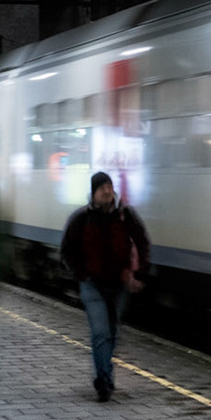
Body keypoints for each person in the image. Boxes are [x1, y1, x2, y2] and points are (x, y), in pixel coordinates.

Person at [58, 171, 150, 401]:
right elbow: (67, 250)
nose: (107, 191)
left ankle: (104, 375)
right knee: (101, 333)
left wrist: (139, 273)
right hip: (92, 284)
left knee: (112, 333)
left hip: (118, 284)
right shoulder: (81, 218)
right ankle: (104, 382)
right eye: (102, 188)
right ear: (94, 193)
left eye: (109, 186)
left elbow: (142, 241)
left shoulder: (125, 215)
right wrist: (81, 274)